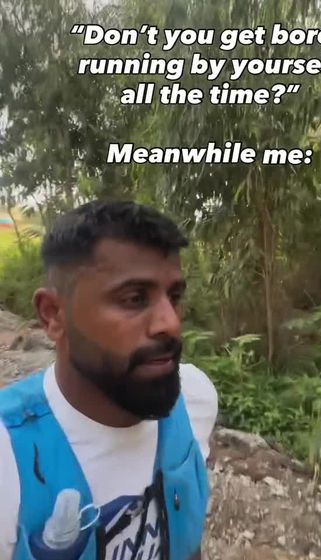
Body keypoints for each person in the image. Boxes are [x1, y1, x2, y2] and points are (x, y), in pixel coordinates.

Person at [0, 200, 218, 560]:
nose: (170, 323)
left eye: (175, 296)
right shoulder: (8, 456)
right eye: (135, 298)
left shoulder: (194, 399)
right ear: (53, 316)